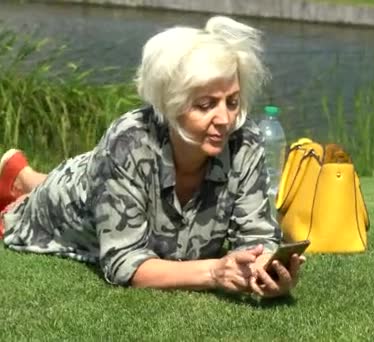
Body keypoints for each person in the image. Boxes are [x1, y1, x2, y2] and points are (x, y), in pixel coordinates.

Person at [0, 16, 304, 298]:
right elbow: (124, 263)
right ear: (172, 104)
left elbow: (257, 236)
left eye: (232, 101)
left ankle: (21, 174)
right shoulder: (129, 141)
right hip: (65, 202)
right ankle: (23, 182)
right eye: (205, 105)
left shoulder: (244, 140)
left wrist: (266, 268)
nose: (225, 118)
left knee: (99, 179)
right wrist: (213, 271)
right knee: (47, 196)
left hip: (103, 175)